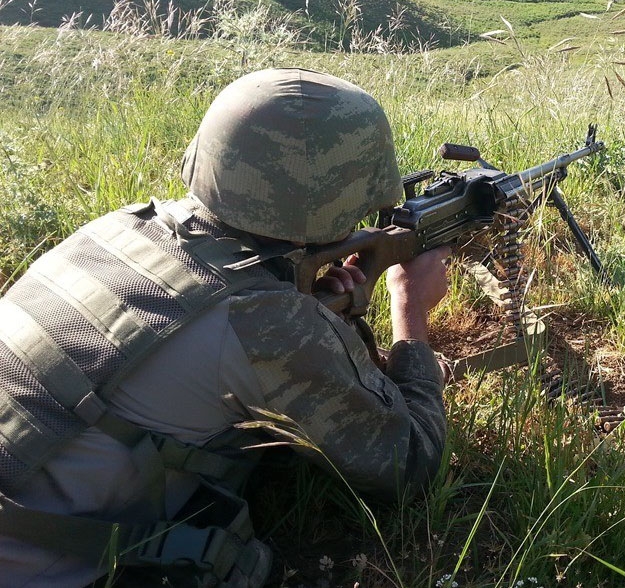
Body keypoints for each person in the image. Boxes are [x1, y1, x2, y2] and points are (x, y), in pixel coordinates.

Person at [0, 68, 450, 587]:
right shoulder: (267, 322)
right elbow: (407, 465)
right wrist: (410, 309)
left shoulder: (122, 227)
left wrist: (316, 305)